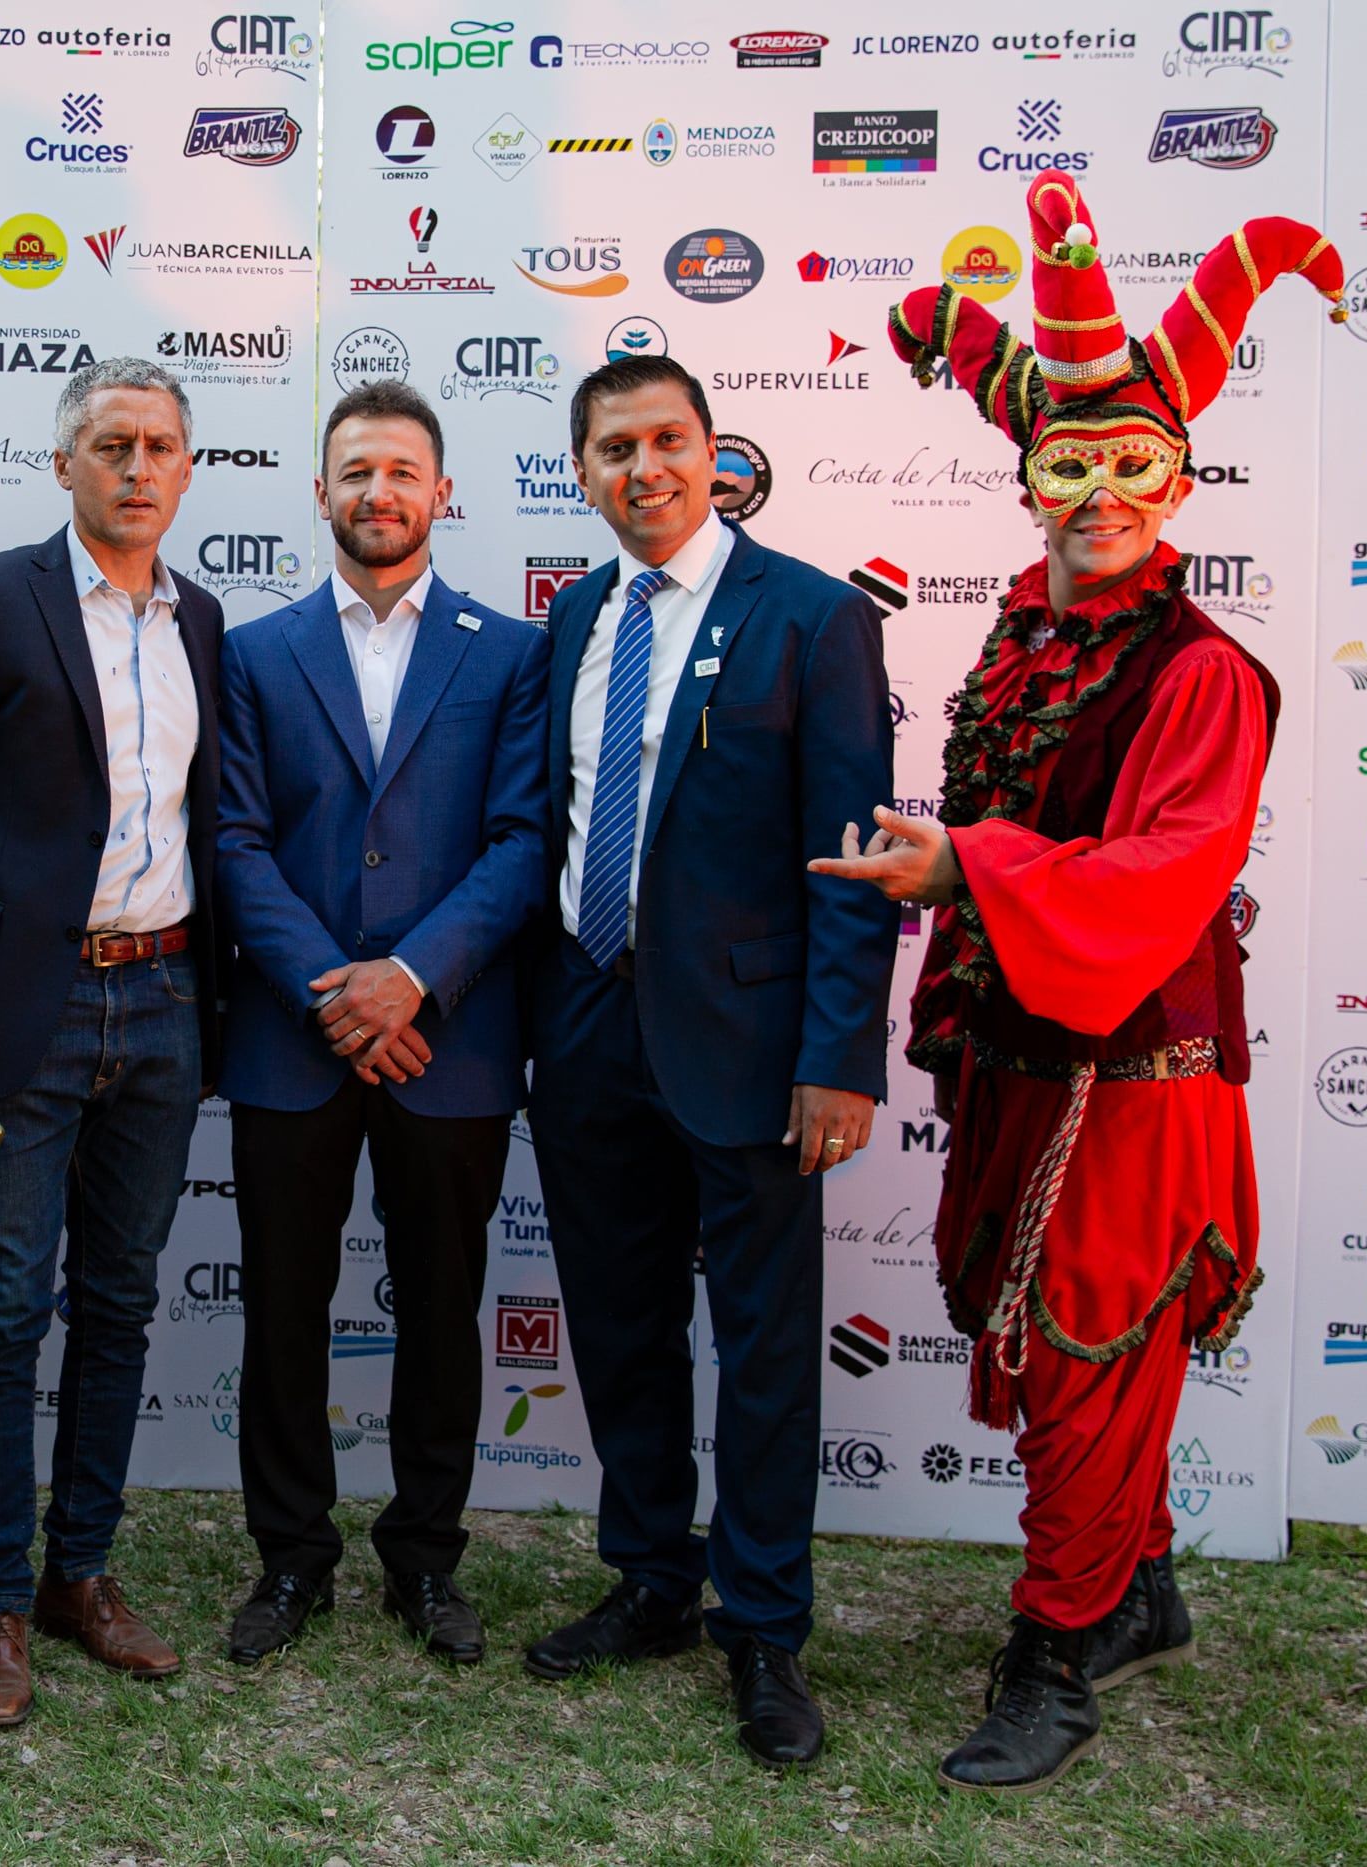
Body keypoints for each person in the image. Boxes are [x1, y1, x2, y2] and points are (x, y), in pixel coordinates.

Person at [812, 170, 1339, 1794]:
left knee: (1089, 1352)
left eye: (1132, 464)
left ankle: (1055, 1649)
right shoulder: (1026, 642)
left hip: (1137, 1079)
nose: (1099, 490)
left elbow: (1168, 873)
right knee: (1070, 1352)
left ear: (1179, 476)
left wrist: (965, 865)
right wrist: (951, 867)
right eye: (1070, 462)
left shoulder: (1202, 669)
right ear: (1030, 473)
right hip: (1026, 1053)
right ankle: (1147, 1585)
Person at [522, 353, 896, 1767]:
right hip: (589, 1030)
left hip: (752, 1050)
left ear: (714, 447)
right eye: (613, 448)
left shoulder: (813, 616)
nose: (645, 469)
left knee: (762, 1349)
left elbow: (856, 863)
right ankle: (653, 1577)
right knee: (618, 1327)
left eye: (667, 439)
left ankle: (766, 1623)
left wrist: (841, 1057)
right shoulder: (572, 618)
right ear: (584, 470)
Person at [0, 357, 224, 1727]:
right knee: (11, 1308)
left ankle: (83, 1571)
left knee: (123, 1302)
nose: (139, 468)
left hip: (170, 999)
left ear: (190, 471)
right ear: (66, 462)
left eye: (163, 448)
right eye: (113, 444)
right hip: (22, 1011)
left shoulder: (203, 621)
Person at [213, 381, 549, 1667]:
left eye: (403, 471)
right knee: (282, 1313)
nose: (379, 493)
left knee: (440, 1310)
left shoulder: (508, 652)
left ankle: (425, 1560)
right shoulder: (250, 652)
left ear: (441, 491)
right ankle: (291, 1560)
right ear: (319, 492)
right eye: (355, 471)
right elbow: (235, 843)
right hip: (291, 1041)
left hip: (447, 1041)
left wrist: (409, 978)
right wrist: (339, 993)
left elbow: (524, 842)